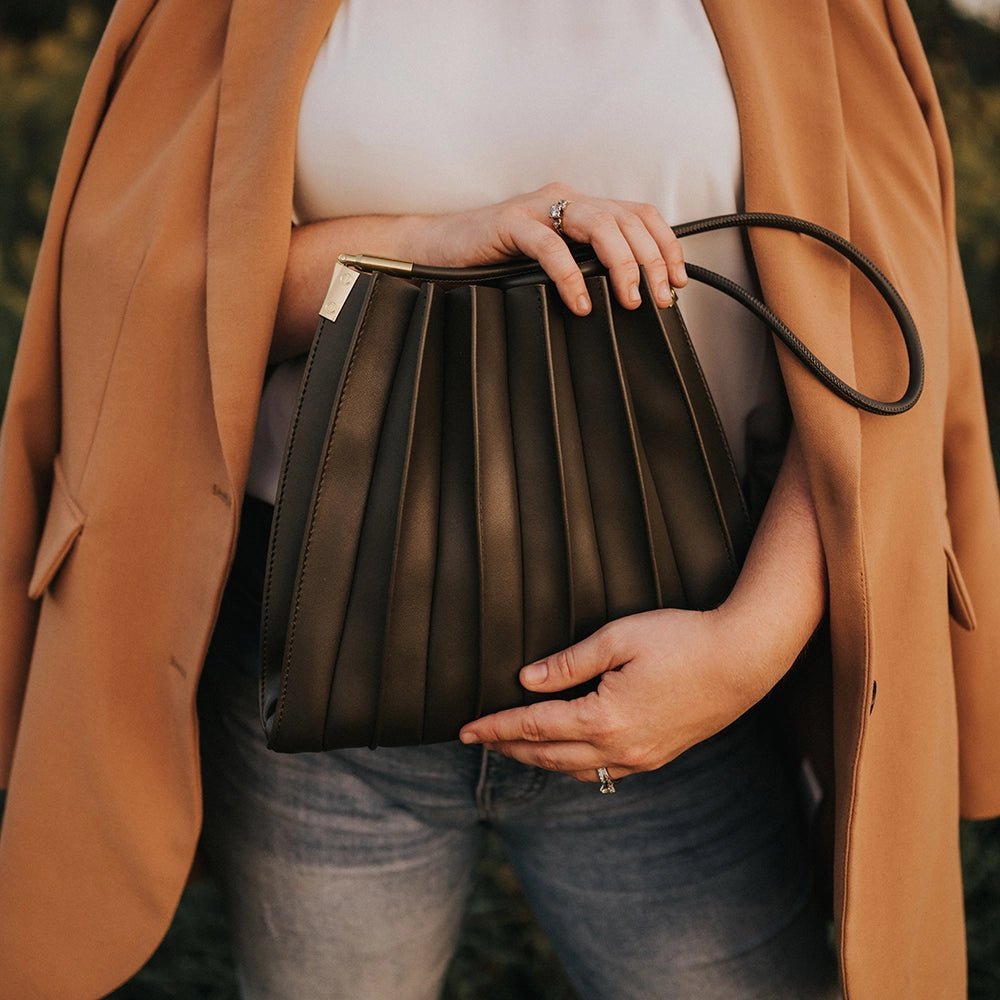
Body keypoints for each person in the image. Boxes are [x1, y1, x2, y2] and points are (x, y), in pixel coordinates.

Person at [0, 1, 997, 998]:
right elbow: (155, 302)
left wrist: (751, 641)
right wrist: (421, 245)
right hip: (319, 661)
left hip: (681, 657)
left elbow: (873, 335)